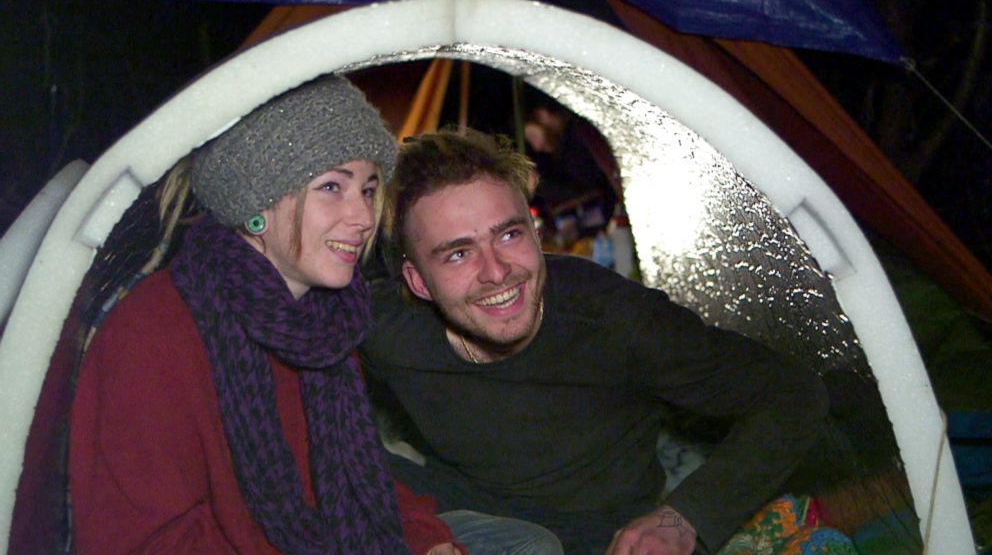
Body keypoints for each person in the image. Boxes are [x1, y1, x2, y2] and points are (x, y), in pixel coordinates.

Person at [360, 129, 830, 554]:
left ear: (534, 230)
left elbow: (792, 393)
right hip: (461, 524)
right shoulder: (387, 329)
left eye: (508, 234)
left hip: (601, 536)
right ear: (418, 282)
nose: (497, 271)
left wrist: (685, 517)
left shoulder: (611, 318)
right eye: (459, 253)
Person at [69, 75, 463, 554]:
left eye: (368, 188)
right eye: (332, 186)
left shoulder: (321, 321)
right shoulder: (153, 334)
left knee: (525, 541)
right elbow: (144, 540)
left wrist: (425, 539)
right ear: (255, 203)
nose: (362, 216)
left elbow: (352, 476)